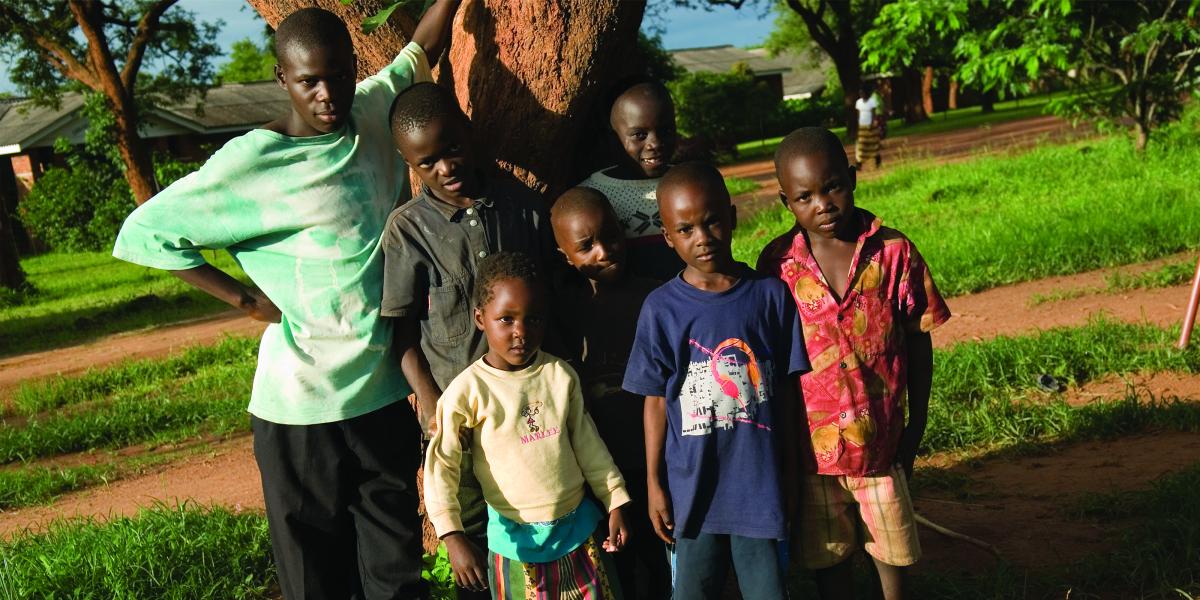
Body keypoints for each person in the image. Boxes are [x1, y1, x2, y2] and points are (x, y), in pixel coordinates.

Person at [110, 4, 459, 598]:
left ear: (354, 66)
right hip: (299, 410)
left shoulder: (375, 109)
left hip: (379, 395)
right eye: (308, 82)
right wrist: (246, 300)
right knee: (314, 577)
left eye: (336, 75)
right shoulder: (251, 162)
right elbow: (145, 232)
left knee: (396, 572)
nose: (327, 94)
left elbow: (422, 47)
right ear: (283, 80)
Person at [757, 127, 951, 600]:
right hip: (813, 452)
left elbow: (917, 338)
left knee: (891, 550)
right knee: (829, 556)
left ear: (853, 178)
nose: (822, 203)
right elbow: (771, 361)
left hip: (883, 445)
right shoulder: (778, 266)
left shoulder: (893, 251)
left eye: (833, 187)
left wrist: (918, 418)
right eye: (804, 196)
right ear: (786, 203)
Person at [380, 80, 556, 599]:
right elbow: (401, 331)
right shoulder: (408, 231)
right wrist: (430, 401)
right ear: (408, 162)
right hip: (461, 415)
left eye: (452, 149)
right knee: (474, 545)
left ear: (468, 131)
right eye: (427, 162)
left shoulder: (523, 207)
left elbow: (553, 303)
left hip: (531, 406)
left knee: (541, 515)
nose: (446, 168)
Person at [622, 162, 809, 599]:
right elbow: (654, 401)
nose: (702, 237)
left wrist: (792, 472)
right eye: (685, 229)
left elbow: (785, 392)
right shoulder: (661, 309)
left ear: (732, 216)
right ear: (668, 237)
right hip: (693, 491)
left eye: (711, 222)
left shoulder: (769, 295)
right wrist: (653, 483)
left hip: (758, 487)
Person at [423, 251, 632, 599]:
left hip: (579, 533)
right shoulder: (467, 393)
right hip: (514, 545)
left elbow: (587, 443)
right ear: (480, 318)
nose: (520, 332)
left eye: (533, 319)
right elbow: (441, 465)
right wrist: (451, 534)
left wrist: (615, 500)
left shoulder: (558, 376)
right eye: (506, 319)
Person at [549, 187, 671, 599]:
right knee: (616, 566)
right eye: (586, 247)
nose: (604, 252)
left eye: (612, 236)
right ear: (564, 254)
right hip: (598, 469)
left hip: (659, 458)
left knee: (664, 563)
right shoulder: (563, 310)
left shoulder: (657, 296)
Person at [579, 79, 685, 281]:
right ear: (613, 138)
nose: (655, 143)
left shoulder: (690, 185)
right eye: (639, 135)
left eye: (666, 131)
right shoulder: (593, 195)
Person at [854, 86, 883, 170]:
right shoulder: (858, 102)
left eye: (863, 93)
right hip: (862, 126)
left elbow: (874, 113)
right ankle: (859, 163)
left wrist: (873, 123)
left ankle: (877, 159)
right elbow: (858, 114)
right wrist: (858, 125)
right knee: (861, 146)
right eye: (860, 94)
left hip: (870, 126)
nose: (861, 95)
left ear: (866, 94)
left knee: (872, 145)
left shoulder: (871, 102)